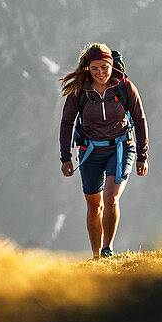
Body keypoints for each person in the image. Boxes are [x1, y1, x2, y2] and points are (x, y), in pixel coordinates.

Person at [59, 43, 148, 259]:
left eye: (104, 68)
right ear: (88, 68)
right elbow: (66, 122)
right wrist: (65, 157)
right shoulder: (80, 91)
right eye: (95, 68)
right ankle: (96, 257)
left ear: (111, 65)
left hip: (121, 148)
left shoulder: (125, 87)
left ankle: (107, 249)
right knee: (94, 206)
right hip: (90, 152)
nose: (100, 73)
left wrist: (142, 156)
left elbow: (139, 119)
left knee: (110, 199)